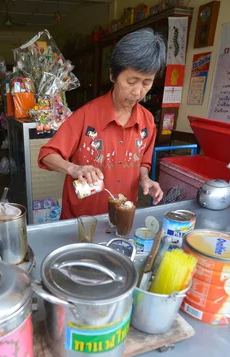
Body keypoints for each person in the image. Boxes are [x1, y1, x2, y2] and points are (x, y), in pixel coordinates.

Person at [38, 28, 165, 220]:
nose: (138, 92)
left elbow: (143, 162)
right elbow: (47, 155)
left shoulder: (147, 122)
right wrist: (75, 169)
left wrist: (145, 178)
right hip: (81, 220)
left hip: (121, 216)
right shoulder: (85, 117)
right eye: (131, 81)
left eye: (147, 83)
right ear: (113, 75)